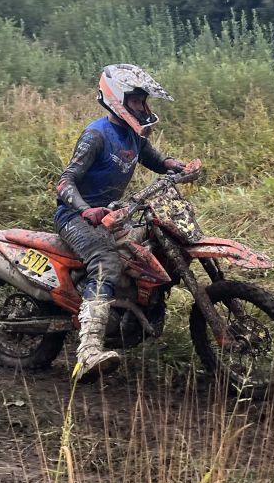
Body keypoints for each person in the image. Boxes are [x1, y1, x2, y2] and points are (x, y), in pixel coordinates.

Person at [55, 64, 186, 381]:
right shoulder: (96, 135)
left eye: (144, 101)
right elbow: (65, 182)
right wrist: (86, 210)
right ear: (117, 98)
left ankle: (134, 317)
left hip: (113, 215)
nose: (142, 107)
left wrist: (175, 165)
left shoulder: (133, 135)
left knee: (152, 246)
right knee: (107, 262)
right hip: (75, 217)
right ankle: (88, 352)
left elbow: (154, 159)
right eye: (136, 101)